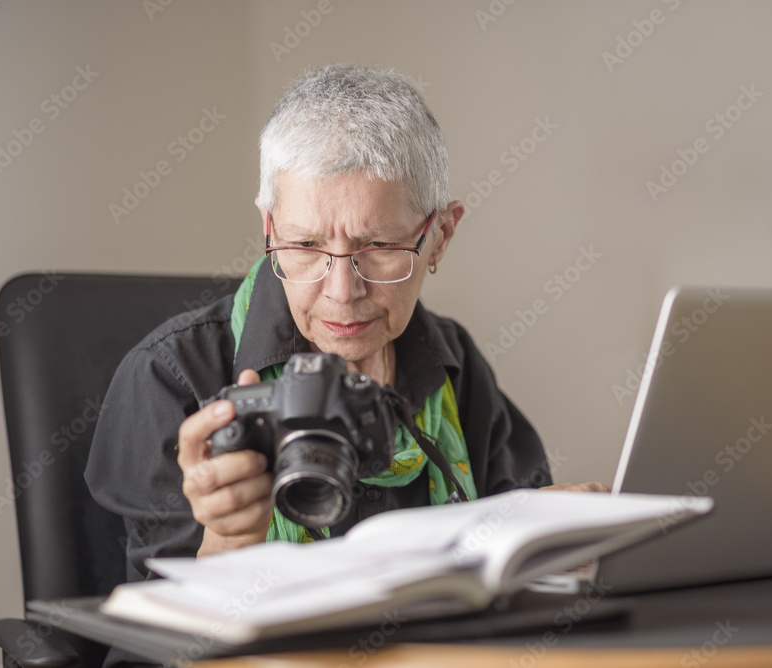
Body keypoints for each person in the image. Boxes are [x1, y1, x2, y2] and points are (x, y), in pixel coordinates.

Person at [86, 64, 603, 600]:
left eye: (378, 247)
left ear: (442, 236)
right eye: (306, 245)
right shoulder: (168, 379)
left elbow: (527, 582)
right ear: (269, 226)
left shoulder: (455, 364)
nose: (341, 291)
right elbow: (155, 635)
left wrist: (554, 537)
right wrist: (226, 543)